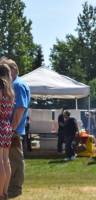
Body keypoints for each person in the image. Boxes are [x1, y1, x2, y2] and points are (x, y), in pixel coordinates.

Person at [0, 57, 30, 199]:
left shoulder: (17, 85)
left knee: (15, 160)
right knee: (8, 160)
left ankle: (14, 189)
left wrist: (12, 129)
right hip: (10, 128)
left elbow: (20, 109)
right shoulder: (13, 86)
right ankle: (8, 190)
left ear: (12, 70)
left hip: (12, 129)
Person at [0, 63, 15, 200]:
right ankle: (4, 192)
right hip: (6, 126)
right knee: (6, 160)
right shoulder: (10, 91)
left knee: (0, 161)